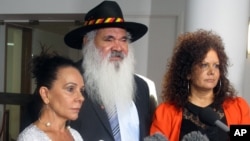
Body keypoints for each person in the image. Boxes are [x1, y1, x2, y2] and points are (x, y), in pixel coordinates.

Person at [64, 1, 156, 141]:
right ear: (87, 42)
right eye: (109, 39)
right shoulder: (64, 83)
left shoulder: (141, 87)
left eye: (123, 39)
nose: (118, 48)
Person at [150, 29, 250, 141]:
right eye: (204, 65)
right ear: (188, 72)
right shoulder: (166, 113)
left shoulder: (238, 107)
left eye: (216, 66)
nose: (212, 72)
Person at [17, 50, 85, 141]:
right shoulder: (31, 138)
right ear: (45, 94)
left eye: (81, 90)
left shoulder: (75, 135)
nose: (81, 98)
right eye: (70, 89)